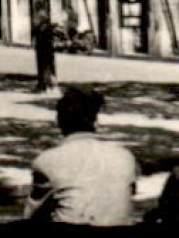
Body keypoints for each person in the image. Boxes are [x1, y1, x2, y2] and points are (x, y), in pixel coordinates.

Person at [24, 87, 138, 225]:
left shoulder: (47, 162)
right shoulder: (124, 157)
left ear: (59, 122)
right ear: (96, 122)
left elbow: (32, 217)